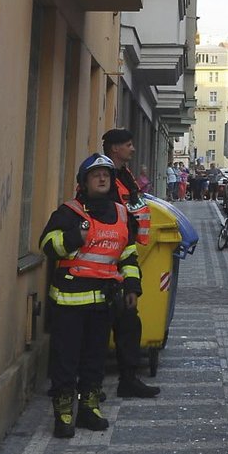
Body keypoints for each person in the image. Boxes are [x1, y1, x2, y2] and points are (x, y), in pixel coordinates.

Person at [39, 153, 142, 438]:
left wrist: (132, 288)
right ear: (84, 182)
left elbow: (129, 254)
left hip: (103, 302)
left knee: (94, 360)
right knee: (65, 360)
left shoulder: (120, 213)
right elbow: (48, 244)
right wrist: (74, 237)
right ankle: (63, 412)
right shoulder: (69, 212)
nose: (102, 178)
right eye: (96, 175)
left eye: (106, 175)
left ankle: (89, 408)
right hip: (69, 302)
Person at [101, 128, 159, 397]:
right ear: (115, 149)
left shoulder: (123, 176)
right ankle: (89, 387)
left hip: (125, 253)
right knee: (100, 325)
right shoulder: (103, 177)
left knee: (128, 322)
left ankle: (127, 379)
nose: (133, 149)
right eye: (128, 145)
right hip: (104, 259)